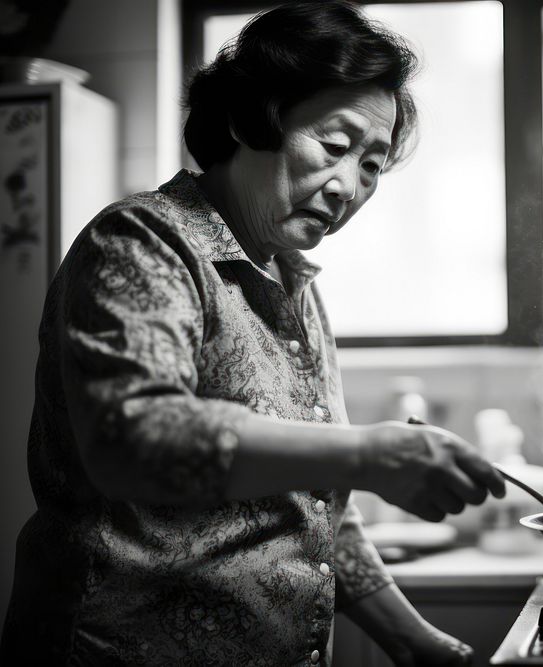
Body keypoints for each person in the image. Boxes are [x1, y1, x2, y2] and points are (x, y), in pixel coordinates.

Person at [0, 2, 505, 665]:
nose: (347, 186)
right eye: (334, 144)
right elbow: (135, 434)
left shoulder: (296, 285)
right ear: (248, 119)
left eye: (372, 165)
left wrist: (419, 644)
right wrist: (368, 452)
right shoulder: (142, 241)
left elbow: (316, 512)